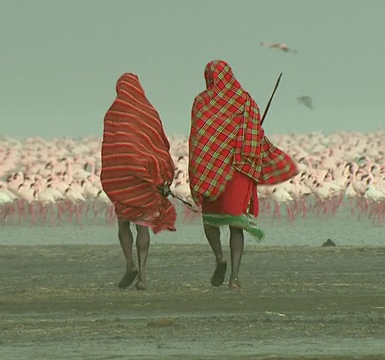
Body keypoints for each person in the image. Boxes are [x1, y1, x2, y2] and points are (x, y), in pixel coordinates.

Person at [188, 60, 298, 289]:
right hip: (239, 171)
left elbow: (198, 140)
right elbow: (254, 135)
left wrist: (200, 168)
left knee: (210, 220)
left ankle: (220, 257)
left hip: (212, 170)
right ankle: (235, 277)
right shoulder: (245, 101)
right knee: (236, 223)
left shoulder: (201, 102)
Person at [100, 73, 177, 291]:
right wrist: (162, 174)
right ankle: (142, 276)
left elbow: (109, 148)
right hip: (143, 176)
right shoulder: (148, 113)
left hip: (122, 177)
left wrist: (114, 173)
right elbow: (159, 142)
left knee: (124, 224)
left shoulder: (112, 114)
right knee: (142, 227)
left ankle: (129, 264)